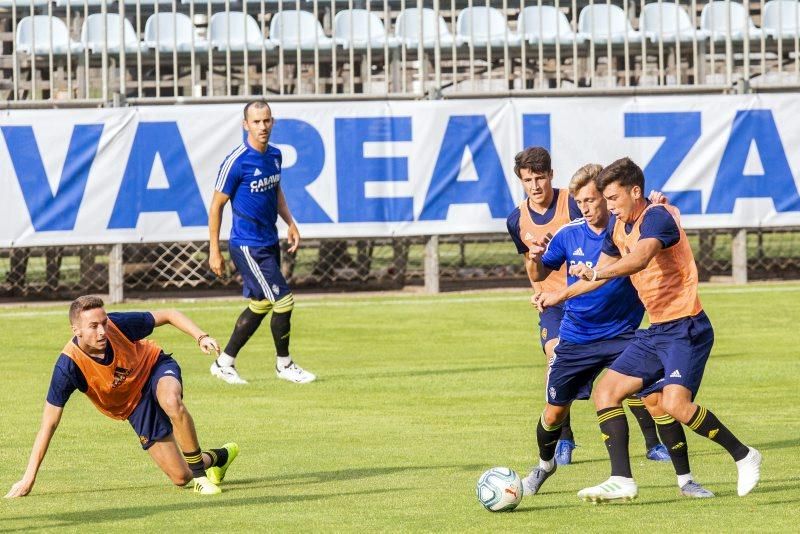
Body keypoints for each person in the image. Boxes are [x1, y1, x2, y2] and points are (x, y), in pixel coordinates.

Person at [536, 157, 761, 502]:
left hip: (687, 326)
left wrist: (598, 273)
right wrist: (559, 294)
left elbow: (639, 259)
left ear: (634, 191)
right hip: (657, 331)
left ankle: (744, 455)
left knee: (675, 405)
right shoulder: (616, 227)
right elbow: (598, 272)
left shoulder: (657, 217)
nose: (609, 206)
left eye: (612, 198)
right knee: (607, 392)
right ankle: (622, 479)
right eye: (606, 200)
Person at [4, 296, 238, 498]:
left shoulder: (119, 325)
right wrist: (28, 479)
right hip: (133, 406)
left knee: (171, 401)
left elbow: (169, 314)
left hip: (153, 367)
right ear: (76, 330)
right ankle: (218, 458)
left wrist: (201, 337)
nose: (103, 331)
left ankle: (201, 479)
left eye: (103, 323)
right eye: (93, 326)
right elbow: (49, 424)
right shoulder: (68, 367)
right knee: (179, 476)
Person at [208, 99, 315, 385]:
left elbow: (276, 191)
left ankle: (224, 362)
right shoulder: (236, 161)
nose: (262, 126)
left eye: (266, 120)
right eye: (256, 121)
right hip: (247, 244)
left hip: (269, 240)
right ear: (245, 125)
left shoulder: (275, 156)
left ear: (273, 122)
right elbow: (216, 206)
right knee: (284, 300)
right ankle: (285, 365)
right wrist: (214, 250)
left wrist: (290, 222)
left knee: (261, 303)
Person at [506, 146, 583, 465]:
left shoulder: (575, 204)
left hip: (587, 294)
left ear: (551, 174)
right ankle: (564, 438)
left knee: (625, 366)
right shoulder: (516, 220)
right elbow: (532, 268)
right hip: (552, 303)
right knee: (555, 356)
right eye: (528, 180)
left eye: (540, 177)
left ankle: (652, 442)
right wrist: (537, 259)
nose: (535, 185)